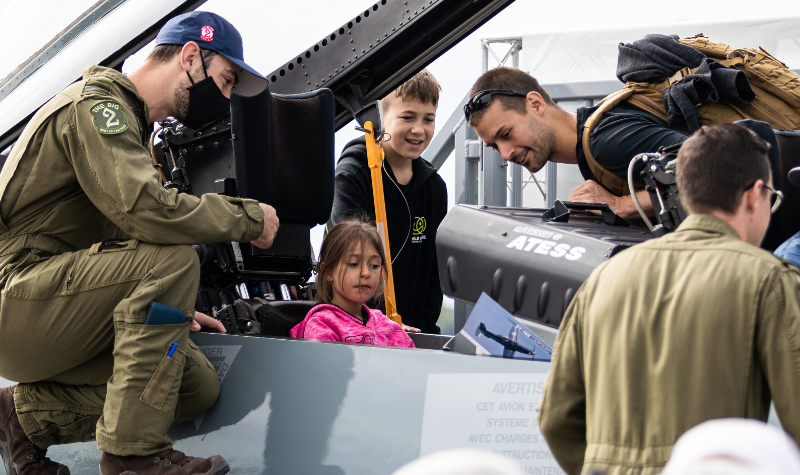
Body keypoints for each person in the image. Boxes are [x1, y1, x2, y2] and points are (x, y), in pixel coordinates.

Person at [0, 11, 279, 475]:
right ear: (190, 57)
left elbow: (122, 251)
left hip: (57, 306)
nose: (227, 96)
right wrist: (247, 217)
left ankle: (23, 418)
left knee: (193, 383)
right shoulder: (95, 107)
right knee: (174, 260)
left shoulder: (134, 135)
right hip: (16, 302)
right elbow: (148, 212)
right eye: (226, 79)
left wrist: (170, 307)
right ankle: (131, 454)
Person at [536, 123, 800, 475]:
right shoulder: (768, 279)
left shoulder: (604, 277)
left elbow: (555, 417)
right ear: (755, 195)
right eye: (772, 198)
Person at [466, 67, 688, 219]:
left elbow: (707, 166)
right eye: (495, 146)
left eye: (506, 134)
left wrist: (623, 205)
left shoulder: (606, 141)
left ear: (535, 104)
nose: (505, 154)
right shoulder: (596, 137)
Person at [327, 69, 447, 334]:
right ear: (379, 116)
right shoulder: (353, 176)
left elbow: (434, 274)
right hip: (356, 333)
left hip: (413, 335)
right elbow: (347, 265)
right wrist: (381, 326)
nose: (419, 129)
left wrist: (425, 328)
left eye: (428, 119)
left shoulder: (434, 188)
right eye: (407, 117)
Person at [291, 220, 415, 348]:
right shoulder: (322, 325)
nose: (366, 273)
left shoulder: (388, 326)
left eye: (374, 265)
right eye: (354, 264)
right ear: (328, 271)